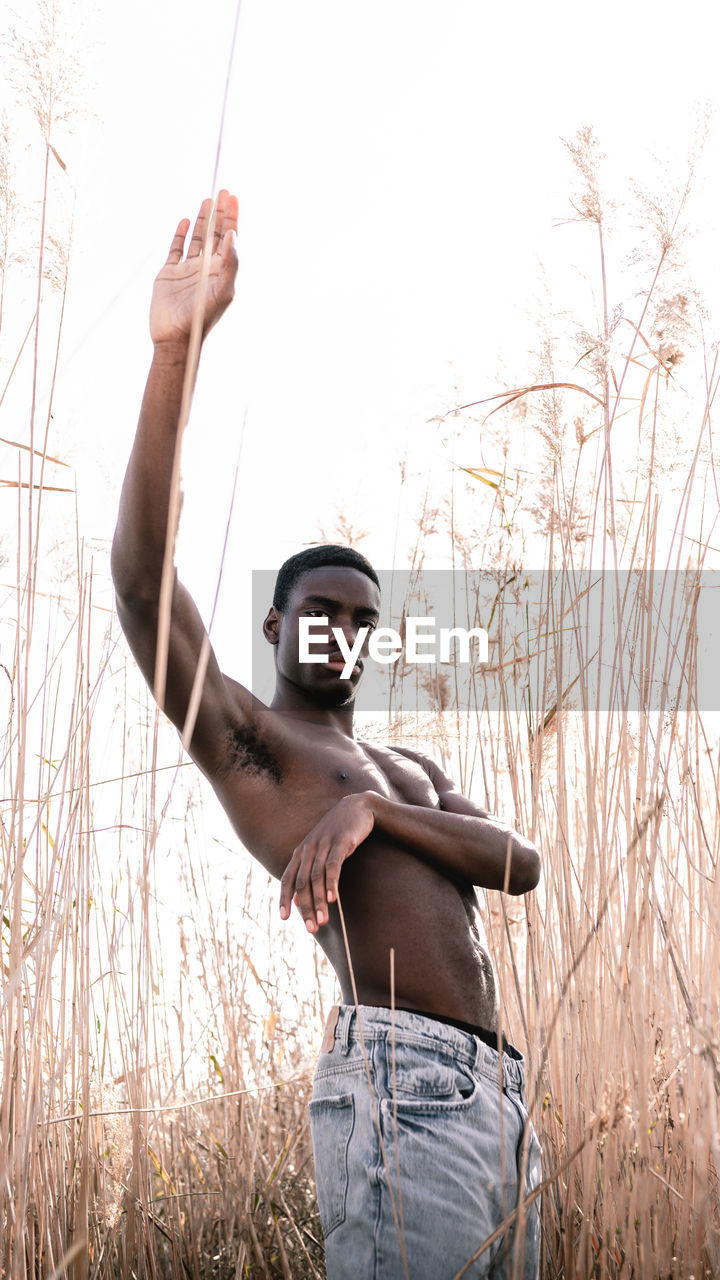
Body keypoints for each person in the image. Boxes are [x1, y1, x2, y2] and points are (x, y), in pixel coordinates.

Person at [111, 190, 543, 1279]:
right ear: (276, 623)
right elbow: (140, 580)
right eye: (321, 612)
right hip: (403, 1089)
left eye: (363, 618)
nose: (343, 631)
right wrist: (178, 355)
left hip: (501, 1092)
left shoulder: (405, 767)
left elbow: (518, 862)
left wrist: (372, 808)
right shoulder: (253, 740)